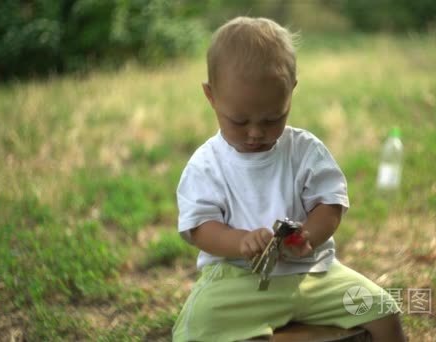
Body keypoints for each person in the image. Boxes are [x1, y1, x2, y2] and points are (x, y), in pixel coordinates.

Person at [172, 16, 405, 342]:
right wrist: (240, 242)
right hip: (237, 280)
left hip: (313, 273)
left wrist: (308, 235)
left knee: (383, 310)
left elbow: (330, 203)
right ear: (211, 97)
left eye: (273, 118)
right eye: (239, 121)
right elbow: (200, 228)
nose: (255, 132)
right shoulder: (207, 164)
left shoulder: (305, 151)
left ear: (291, 92)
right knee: (197, 326)